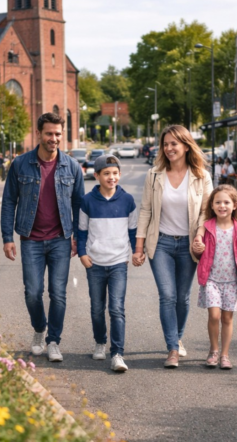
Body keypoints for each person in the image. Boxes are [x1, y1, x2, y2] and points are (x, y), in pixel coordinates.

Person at [1, 112, 85, 363]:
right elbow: (9, 202)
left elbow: (79, 205)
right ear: (39, 133)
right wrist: (8, 237)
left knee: (58, 293)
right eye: (49, 133)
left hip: (60, 238)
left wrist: (78, 238)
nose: (54, 138)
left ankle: (54, 341)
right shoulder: (20, 164)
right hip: (31, 239)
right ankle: (40, 329)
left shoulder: (71, 166)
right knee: (33, 292)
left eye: (58, 134)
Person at [134, 124, 213, 368]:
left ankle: (177, 337)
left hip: (190, 245)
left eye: (173, 144)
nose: (168, 148)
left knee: (182, 297)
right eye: (165, 144)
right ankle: (172, 348)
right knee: (167, 295)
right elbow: (146, 210)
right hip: (162, 244)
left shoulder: (201, 176)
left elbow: (206, 212)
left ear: (186, 145)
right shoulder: (154, 174)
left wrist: (200, 236)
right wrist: (138, 247)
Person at [76, 155, 137, 373]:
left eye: (115, 173)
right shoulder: (87, 201)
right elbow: (81, 231)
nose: (112, 177)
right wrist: (82, 254)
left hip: (119, 262)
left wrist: (137, 251)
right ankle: (100, 342)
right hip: (95, 263)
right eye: (107, 173)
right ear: (97, 176)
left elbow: (132, 230)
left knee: (117, 309)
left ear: (119, 175)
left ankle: (117, 353)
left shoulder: (128, 200)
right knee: (96, 308)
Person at [190, 185, 237, 370]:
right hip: (212, 279)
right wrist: (197, 249)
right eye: (218, 202)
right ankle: (213, 350)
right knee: (214, 315)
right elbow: (198, 254)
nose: (222, 206)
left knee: (227, 319)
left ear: (235, 205)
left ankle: (225, 355)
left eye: (226, 202)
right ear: (211, 206)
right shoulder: (206, 228)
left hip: (232, 282)